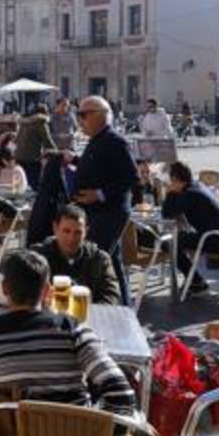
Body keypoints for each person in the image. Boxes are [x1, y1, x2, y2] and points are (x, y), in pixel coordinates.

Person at [0, 249, 136, 416]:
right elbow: (121, 393)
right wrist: (104, 432)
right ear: (48, 291)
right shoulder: (72, 329)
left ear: (5, 289)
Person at [70, 95, 138, 305]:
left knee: (93, 261)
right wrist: (73, 160)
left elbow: (131, 177)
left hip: (110, 211)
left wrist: (99, 194)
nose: (79, 120)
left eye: (83, 115)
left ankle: (91, 308)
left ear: (100, 115)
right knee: (112, 261)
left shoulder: (116, 141)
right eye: (78, 115)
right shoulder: (97, 140)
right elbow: (98, 166)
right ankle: (124, 306)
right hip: (97, 211)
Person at [161, 160, 219, 295]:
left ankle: (197, 282)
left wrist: (170, 193)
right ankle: (194, 279)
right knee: (177, 239)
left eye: (171, 180)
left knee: (169, 243)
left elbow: (167, 213)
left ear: (176, 179)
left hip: (215, 240)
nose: (169, 183)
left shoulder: (189, 195)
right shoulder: (196, 186)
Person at [29, 204, 123, 305]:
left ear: (86, 232)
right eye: (66, 231)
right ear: (55, 228)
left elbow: (112, 296)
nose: (71, 238)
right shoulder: (37, 257)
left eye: (78, 232)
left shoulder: (99, 259)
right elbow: (25, 294)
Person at [14, 104, 55, 190]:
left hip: (18, 155)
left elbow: (16, 139)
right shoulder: (40, 123)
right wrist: (56, 151)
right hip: (32, 158)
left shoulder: (24, 122)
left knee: (20, 183)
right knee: (33, 184)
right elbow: (47, 141)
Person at [0, 150, 28, 220]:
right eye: (10, 160)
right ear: (3, 161)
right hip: (7, 197)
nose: (13, 162)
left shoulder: (17, 170)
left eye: (13, 159)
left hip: (15, 197)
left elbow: (16, 190)